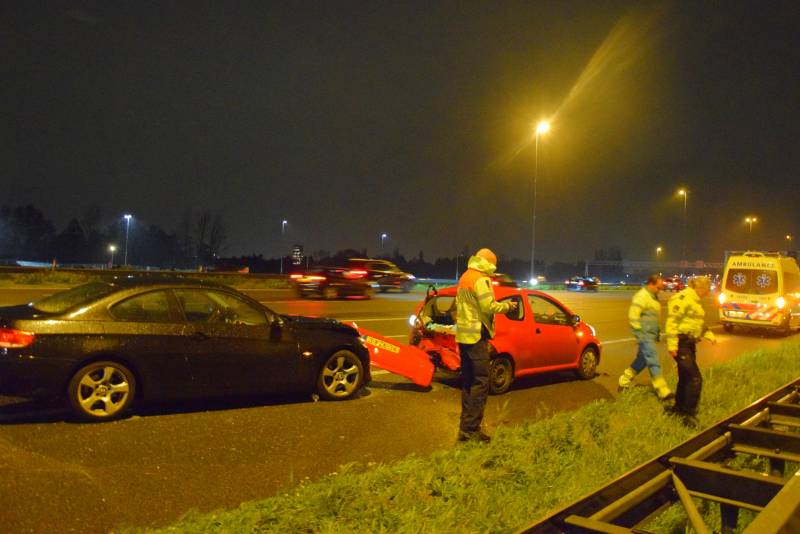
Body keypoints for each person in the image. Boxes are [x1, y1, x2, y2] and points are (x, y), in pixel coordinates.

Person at [453, 248, 516, 443]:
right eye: (493, 265)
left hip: (463, 336)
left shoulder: (465, 277)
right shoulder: (481, 279)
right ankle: (471, 430)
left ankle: (465, 426)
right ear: (488, 263)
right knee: (481, 382)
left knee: (469, 381)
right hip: (476, 337)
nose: (493, 270)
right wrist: (507, 307)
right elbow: (488, 306)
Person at [664, 275, 716, 428]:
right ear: (699, 288)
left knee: (685, 378)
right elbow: (672, 322)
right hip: (681, 343)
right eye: (706, 290)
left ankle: (678, 410)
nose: (707, 293)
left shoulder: (695, 301)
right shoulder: (683, 299)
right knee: (695, 379)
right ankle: (689, 414)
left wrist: (708, 334)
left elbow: (695, 323)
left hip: (689, 343)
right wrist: (672, 345)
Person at [618, 274, 673, 400]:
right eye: (658, 288)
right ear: (651, 284)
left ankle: (624, 380)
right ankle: (663, 390)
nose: (660, 290)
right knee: (653, 360)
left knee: (642, 361)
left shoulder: (653, 297)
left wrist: (657, 332)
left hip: (650, 335)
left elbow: (653, 318)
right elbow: (633, 316)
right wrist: (640, 334)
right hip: (644, 335)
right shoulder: (641, 296)